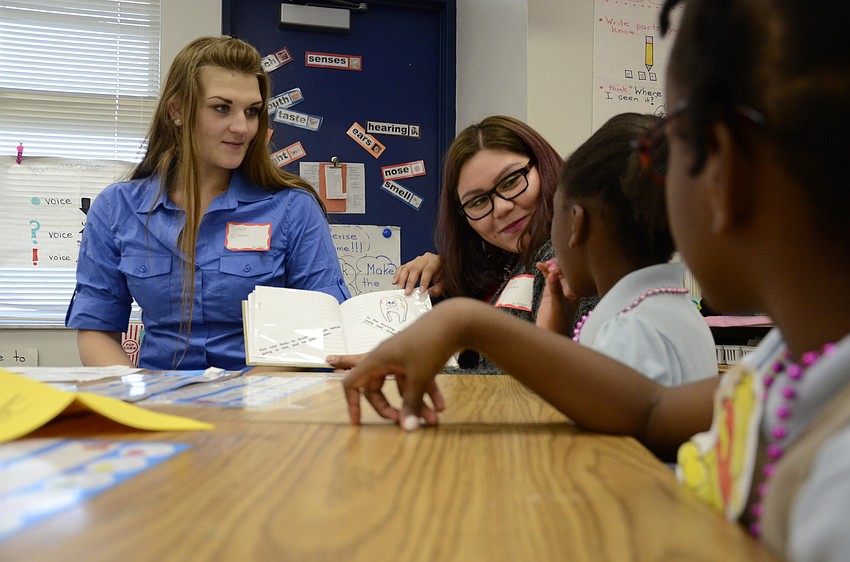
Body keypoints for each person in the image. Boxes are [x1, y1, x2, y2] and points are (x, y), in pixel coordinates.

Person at [342, 0, 850, 560]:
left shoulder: (836, 477)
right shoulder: (785, 359)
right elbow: (650, 408)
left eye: (664, 145)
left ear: (722, 169)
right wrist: (466, 319)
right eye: (477, 203)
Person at [66, 36, 349, 371]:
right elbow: (98, 328)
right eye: (221, 108)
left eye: (252, 111)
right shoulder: (116, 208)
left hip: (265, 401)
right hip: (159, 404)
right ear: (177, 111)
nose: (242, 127)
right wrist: (134, 400)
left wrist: (242, 402)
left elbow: (323, 327)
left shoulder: (294, 209)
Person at [333, 115, 595, 372]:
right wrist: (451, 273)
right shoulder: (498, 266)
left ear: (543, 165)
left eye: (512, 181)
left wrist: (403, 366)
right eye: (478, 201)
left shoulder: (570, 256)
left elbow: (522, 381)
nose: (501, 208)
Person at [537, 112, 716, 385]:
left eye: (555, 212)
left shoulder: (629, 333)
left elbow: (595, 422)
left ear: (576, 221)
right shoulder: (676, 310)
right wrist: (559, 336)